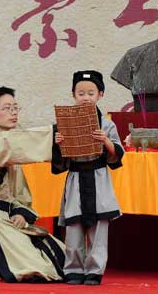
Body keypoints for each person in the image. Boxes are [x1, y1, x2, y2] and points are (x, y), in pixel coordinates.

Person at [0, 86, 65, 283]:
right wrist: (51, 136)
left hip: (10, 218)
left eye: (16, 108)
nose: (13, 112)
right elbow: (9, 145)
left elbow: (20, 192)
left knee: (63, 259)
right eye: (7, 107)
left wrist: (20, 213)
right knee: (36, 270)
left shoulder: (13, 152)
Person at [52, 70, 125, 285]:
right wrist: (58, 143)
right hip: (75, 178)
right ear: (73, 95)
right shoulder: (63, 124)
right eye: (80, 93)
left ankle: (95, 270)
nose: (85, 97)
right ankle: (73, 269)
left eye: (90, 93)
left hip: (98, 178)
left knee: (99, 230)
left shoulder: (108, 125)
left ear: (100, 94)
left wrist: (106, 141)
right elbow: (59, 162)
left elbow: (117, 155)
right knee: (73, 228)